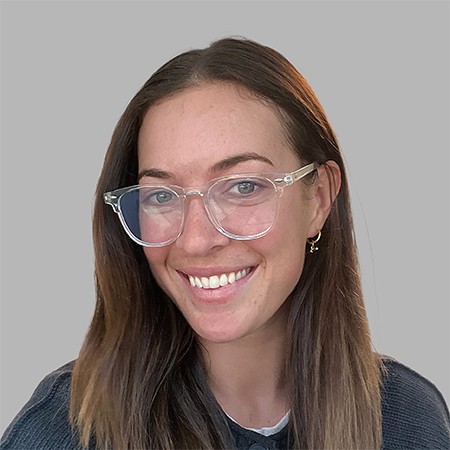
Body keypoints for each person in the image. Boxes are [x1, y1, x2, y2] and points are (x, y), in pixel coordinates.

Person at [1, 37, 449, 450]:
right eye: (162, 196)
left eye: (243, 187)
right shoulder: (62, 432)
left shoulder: (410, 420)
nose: (196, 240)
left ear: (318, 199)